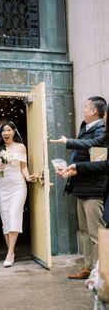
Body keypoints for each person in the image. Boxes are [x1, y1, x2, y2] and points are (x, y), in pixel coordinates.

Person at [50, 96, 107, 279]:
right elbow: (83, 157)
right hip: (81, 187)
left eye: (85, 106)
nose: (83, 110)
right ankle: (88, 268)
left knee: (96, 234)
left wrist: (68, 141)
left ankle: (101, 273)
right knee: (83, 232)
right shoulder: (86, 127)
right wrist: (69, 170)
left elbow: (94, 148)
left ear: (94, 111)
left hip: (94, 190)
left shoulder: (102, 130)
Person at [0, 121, 36, 267]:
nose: (5, 133)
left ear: (14, 132)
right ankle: (11, 251)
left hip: (18, 185)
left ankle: (10, 253)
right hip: (2, 187)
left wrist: (28, 178)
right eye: (3, 131)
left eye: (8, 130)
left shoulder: (20, 147)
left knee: (14, 215)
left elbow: (23, 166)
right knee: (5, 219)